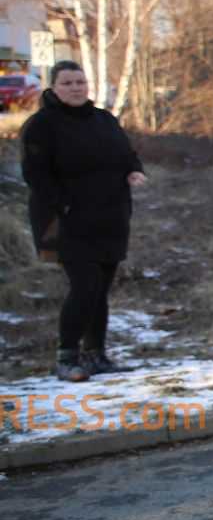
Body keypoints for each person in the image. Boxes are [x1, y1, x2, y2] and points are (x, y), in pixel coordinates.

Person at [21, 59, 147, 382]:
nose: (76, 88)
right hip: (67, 222)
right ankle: (67, 357)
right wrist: (65, 205)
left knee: (100, 288)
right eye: (68, 83)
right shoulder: (41, 125)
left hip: (110, 218)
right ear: (53, 87)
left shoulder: (104, 119)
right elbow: (35, 174)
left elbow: (127, 153)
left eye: (80, 82)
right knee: (85, 284)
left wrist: (134, 170)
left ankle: (96, 355)